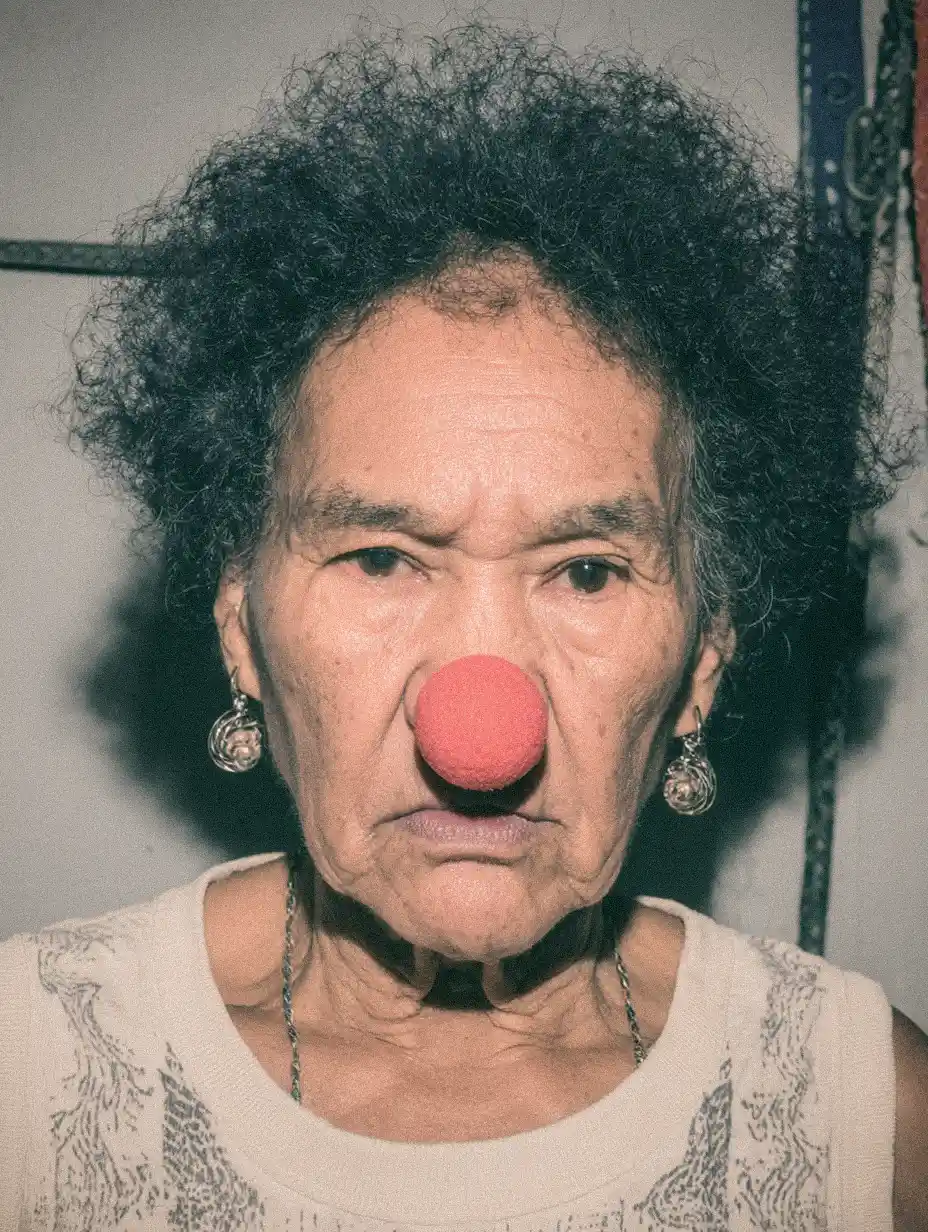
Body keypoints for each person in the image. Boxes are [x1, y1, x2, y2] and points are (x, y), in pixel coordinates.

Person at [1, 23, 926, 1231]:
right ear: (241, 630)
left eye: (586, 571)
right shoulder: (28, 1082)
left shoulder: (872, 1124)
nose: (480, 726)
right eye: (382, 557)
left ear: (703, 660)